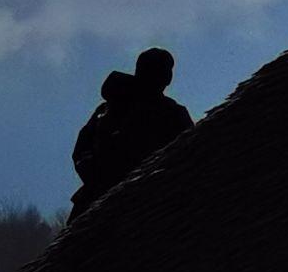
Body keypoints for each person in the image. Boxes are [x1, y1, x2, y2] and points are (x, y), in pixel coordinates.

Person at [67, 46, 194, 222]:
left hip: (147, 205)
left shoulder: (172, 114)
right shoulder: (111, 108)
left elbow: (189, 156)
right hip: (101, 203)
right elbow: (82, 152)